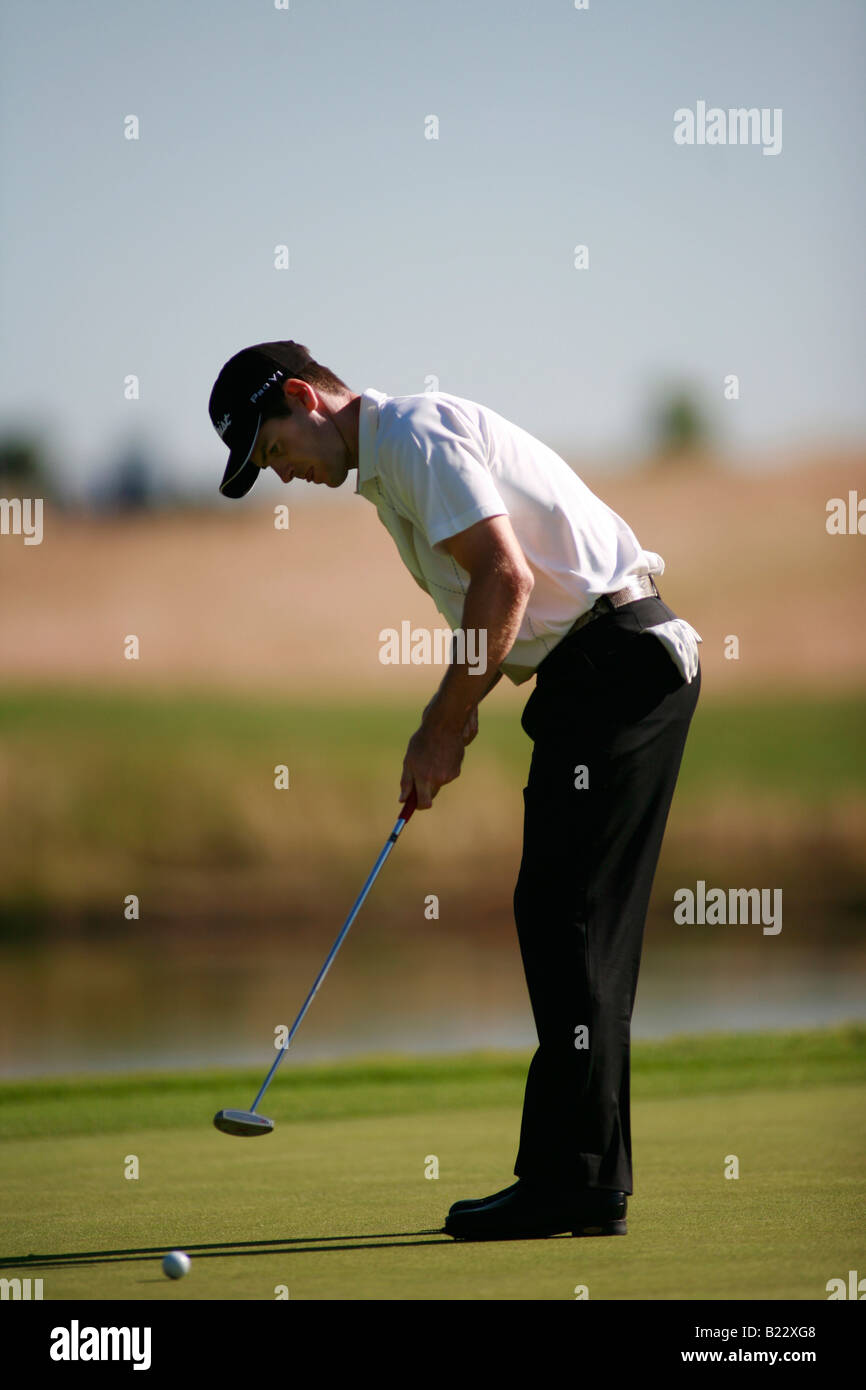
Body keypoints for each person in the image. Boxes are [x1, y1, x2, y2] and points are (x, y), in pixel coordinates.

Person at [208, 339, 702, 1241]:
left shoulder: (408, 437)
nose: (283, 476)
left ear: (300, 397)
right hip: (599, 672)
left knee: (570, 918)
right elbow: (503, 605)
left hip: (619, 663)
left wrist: (441, 721)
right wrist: (463, 703)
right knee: (566, 918)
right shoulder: (392, 466)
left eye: (274, 451)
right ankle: (582, 1177)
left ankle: (577, 1183)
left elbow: (504, 578)